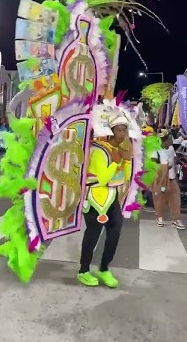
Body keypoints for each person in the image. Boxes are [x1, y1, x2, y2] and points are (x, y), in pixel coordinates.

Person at [77, 115, 132, 288]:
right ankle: (83, 271)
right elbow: (103, 178)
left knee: (115, 231)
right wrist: (116, 162)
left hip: (111, 196)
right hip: (94, 196)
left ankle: (104, 268)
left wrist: (127, 160)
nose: (122, 134)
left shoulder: (118, 150)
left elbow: (124, 178)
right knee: (93, 233)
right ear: (110, 131)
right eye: (119, 130)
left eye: (124, 130)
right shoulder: (99, 150)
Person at [151, 129, 185, 229]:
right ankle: (160, 217)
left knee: (175, 198)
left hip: (172, 178)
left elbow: (174, 159)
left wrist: (175, 172)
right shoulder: (155, 150)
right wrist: (165, 167)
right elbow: (153, 165)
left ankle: (176, 219)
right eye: (165, 139)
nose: (168, 140)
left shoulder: (170, 148)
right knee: (159, 198)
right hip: (160, 179)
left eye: (168, 138)